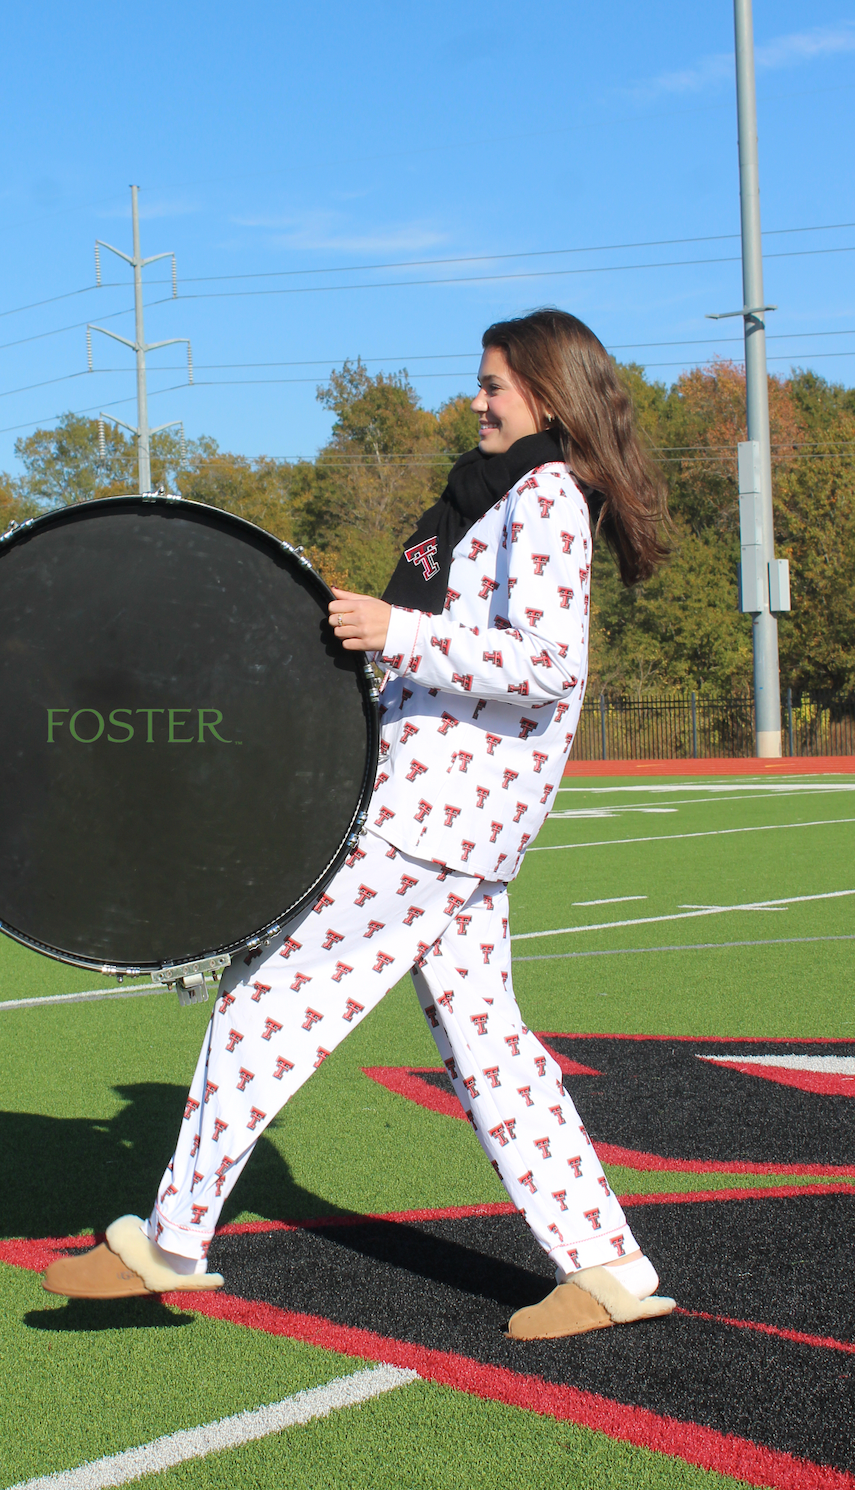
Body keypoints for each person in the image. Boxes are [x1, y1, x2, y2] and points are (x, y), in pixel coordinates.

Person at [43, 308, 674, 1341]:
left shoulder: (543, 496)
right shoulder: (503, 495)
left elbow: (548, 664)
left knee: (263, 1006)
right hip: (455, 823)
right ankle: (604, 1265)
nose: (475, 399)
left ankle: (170, 1240)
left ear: (546, 399)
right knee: (490, 1048)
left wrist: (398, 630)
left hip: (431, 820)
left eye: (493, 386)